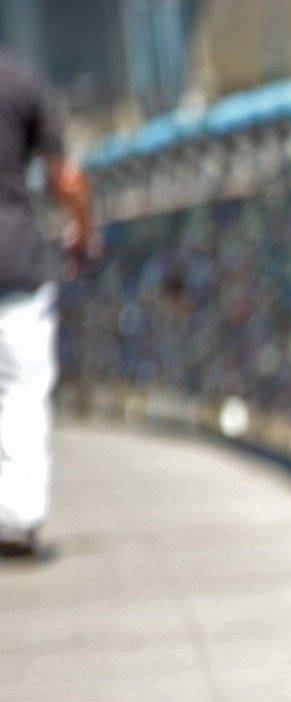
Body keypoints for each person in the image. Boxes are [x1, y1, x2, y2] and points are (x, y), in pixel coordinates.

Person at [0, 49, 91, 558]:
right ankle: (16, 520)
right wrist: (84, 227)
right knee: (20, 392)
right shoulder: (20, 80)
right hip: (14, 259)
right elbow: (66, 178)